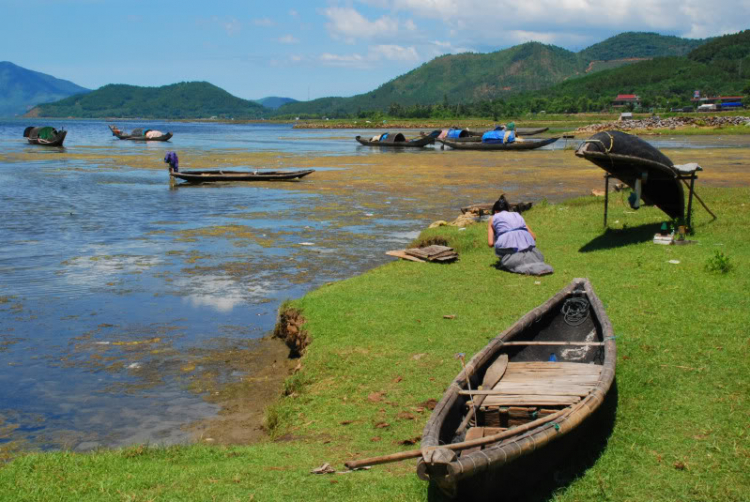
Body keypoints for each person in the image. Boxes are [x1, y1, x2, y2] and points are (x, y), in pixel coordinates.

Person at [487, 195, 553, 276]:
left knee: (513, 257)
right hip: (526, 242)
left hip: (508, 245)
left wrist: (499, 236)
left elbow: (490, 243)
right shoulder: (517, 215)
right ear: (507, 210)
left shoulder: (493, 218)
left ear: (495, 211)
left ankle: (518, 264)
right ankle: (539, 266)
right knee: (527, 255)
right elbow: (533, 237)